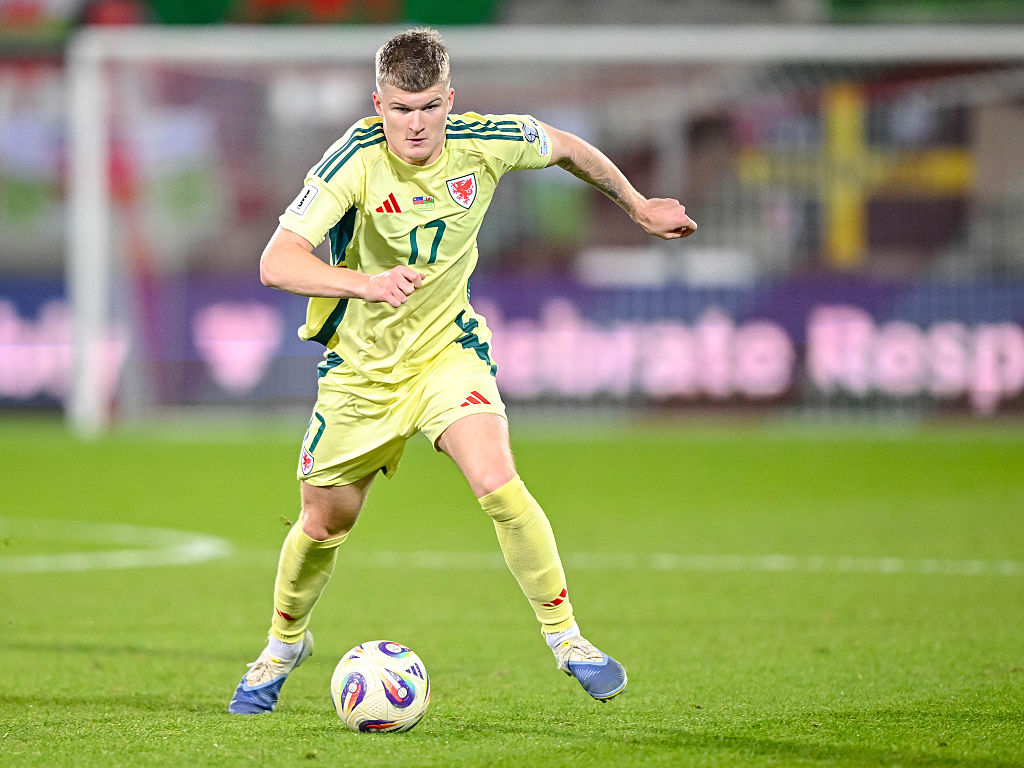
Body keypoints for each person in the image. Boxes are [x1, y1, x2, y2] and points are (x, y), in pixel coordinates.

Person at [228, 27, 697, 715]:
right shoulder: (352, 160)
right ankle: (283, 643)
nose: (415, 124)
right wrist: (364, 284)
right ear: (377, 104)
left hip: (447, 350)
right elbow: (276, 262)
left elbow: (568, 147)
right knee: (325, 523)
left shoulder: (487, 140)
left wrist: (638, 206)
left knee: (497, 480)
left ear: (450, 100)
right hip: (359, 371)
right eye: (399, 109)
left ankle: (568, 640)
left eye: (427, 107)